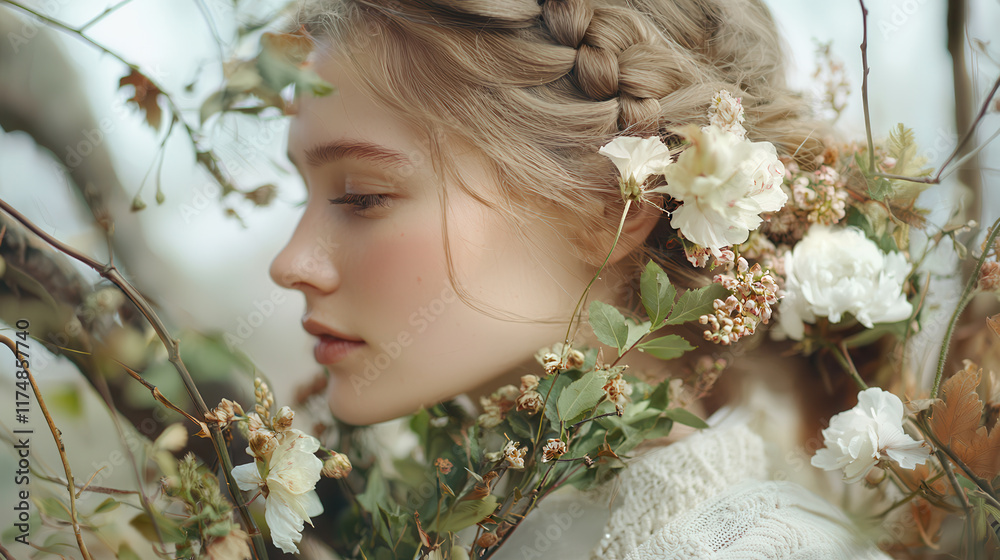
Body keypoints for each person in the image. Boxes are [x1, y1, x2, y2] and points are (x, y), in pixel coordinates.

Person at [268, 0, 891, 557]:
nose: (290, 263)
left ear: (607, 204)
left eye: (361, 196)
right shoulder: (442, 518)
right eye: (305, 194)